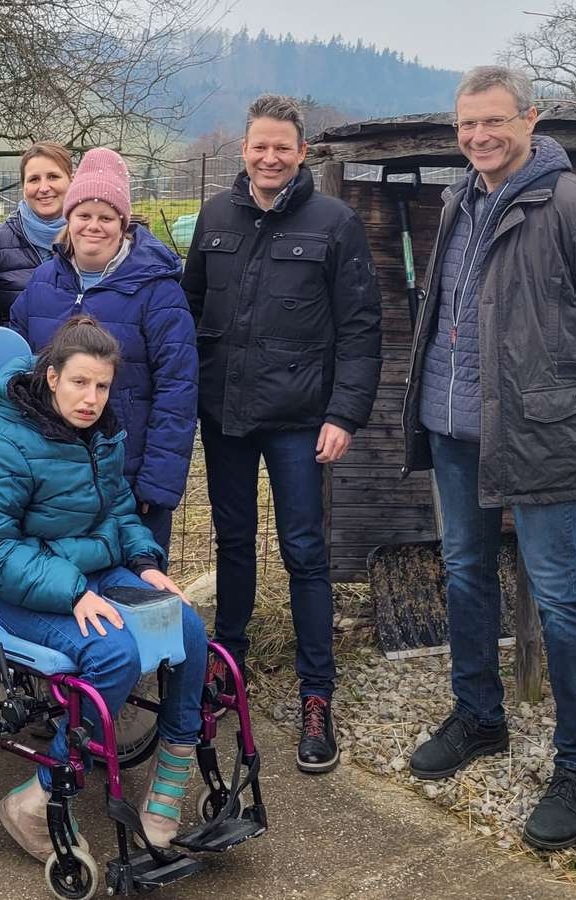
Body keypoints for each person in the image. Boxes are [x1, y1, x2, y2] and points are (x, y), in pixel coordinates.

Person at [403, 66, 576, 851]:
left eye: (494, 122)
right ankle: (480, 717)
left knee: (557, 597)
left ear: (531, 119)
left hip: (538, 432)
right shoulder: (457, 200)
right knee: (467, 573)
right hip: (451, 424)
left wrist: (564, 397)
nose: (479, 137)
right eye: (466, 125)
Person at [0, 316, 206, 860]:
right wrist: (72, 592)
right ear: (51, 377)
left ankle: (168, 786)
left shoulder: (100, 432)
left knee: (186, 626)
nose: (91, 398)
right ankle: (37, 799)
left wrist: (143, 561)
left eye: (102, 386)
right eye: (79, 383)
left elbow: (115, 507)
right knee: (113, 655)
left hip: (88, 571)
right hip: (6, 586)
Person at [181, 93, 383, 776]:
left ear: (302, 154)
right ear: (244, 149)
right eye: (259, 145)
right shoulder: (213, 217)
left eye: (283, 148)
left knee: (304, 550)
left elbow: (360, 328)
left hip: (301, 420)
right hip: (227, 415)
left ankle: (316, 693)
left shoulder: (335, 222)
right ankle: (228, 661)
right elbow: (188, 308)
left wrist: (343, 414)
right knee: (234, 541)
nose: (270, 157)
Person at [7, 148, 196, 553]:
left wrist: (158, 482)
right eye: (84, 215)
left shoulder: (157, 290)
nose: (94, 226)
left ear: (123, 224)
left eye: (106, 217)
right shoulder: (42, 283)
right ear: (68, 218)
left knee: (134, 585)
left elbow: (178, 389)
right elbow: (17, 373)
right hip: (52, 475)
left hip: (129, 475)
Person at [0, 141, 72, 323]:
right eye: (34, 179)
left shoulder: (92, 238)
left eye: (53, 176)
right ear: (23, 187)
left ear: (72, 180)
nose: (44, 188)